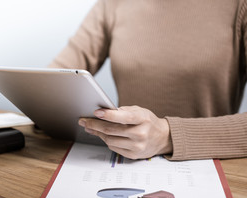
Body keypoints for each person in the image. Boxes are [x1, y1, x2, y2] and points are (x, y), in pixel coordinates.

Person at [48, 0, 247, 160]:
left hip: (209, 167)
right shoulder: (113, 4)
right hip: (123, 162)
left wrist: (167, 136)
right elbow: (53, 78)